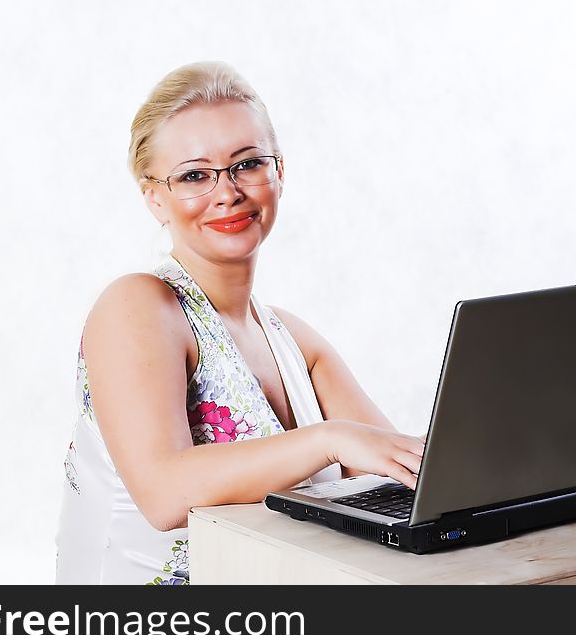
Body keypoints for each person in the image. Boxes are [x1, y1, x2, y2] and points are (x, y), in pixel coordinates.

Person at [54, 61, 425, 584]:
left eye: (247, 164)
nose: (227, 192)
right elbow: (163, 494)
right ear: (154, 196)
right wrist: (329, 439)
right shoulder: (137, 306)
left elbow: (410, 478)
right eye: (194, 175)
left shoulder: (294, 341)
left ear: (280, 173)